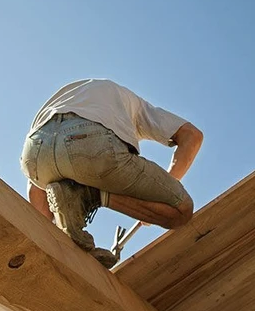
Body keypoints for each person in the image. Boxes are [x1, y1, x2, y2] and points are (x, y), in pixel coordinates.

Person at [20, 78, 203, 268]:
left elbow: (38, 188)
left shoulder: (67, 96)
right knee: (181, 210)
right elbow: (192, 136)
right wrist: (154, 200)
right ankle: (92, 196)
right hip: (89, 141)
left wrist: (56, 242)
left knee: (53, 223)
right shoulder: (134, 105)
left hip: (34, 152)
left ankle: (70, 241)